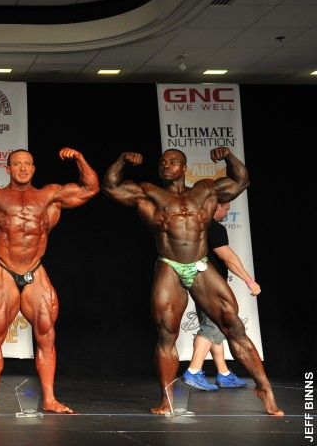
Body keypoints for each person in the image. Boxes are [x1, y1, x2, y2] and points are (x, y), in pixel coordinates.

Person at [102, 147, 282, 415]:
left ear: (184, 167)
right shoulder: (149, 192)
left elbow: (241, 180)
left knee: (232, 324)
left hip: (200, 265)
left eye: (173, 161)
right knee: (167, 334)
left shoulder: (205, 190)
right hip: (170, 266)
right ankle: (167, 399)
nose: (166, 165)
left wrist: (229, 156)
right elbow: (111, 187)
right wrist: (122, 159)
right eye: (163, 161)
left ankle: (264, 388)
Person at [0, 147, 99, 414]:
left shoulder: (49, 195)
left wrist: (79, 158)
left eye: (27, 163)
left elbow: (90, 188)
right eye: (17, 164)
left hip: (35, 271)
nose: (23, 168)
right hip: (5, 270)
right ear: (8, 169)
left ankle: (49, 399)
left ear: (34, 168)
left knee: (47, 336)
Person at [182, 201, 262, 391]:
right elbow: (228, 258)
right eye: (226, 209)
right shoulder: (214, 227)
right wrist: (249, 281)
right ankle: (193, 370)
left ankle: (224, 373)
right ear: (216, 206)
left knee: (214, 327)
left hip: (196, 282)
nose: (227, 213)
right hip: (211, 285)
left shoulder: (194, 225)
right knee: (211, 327)